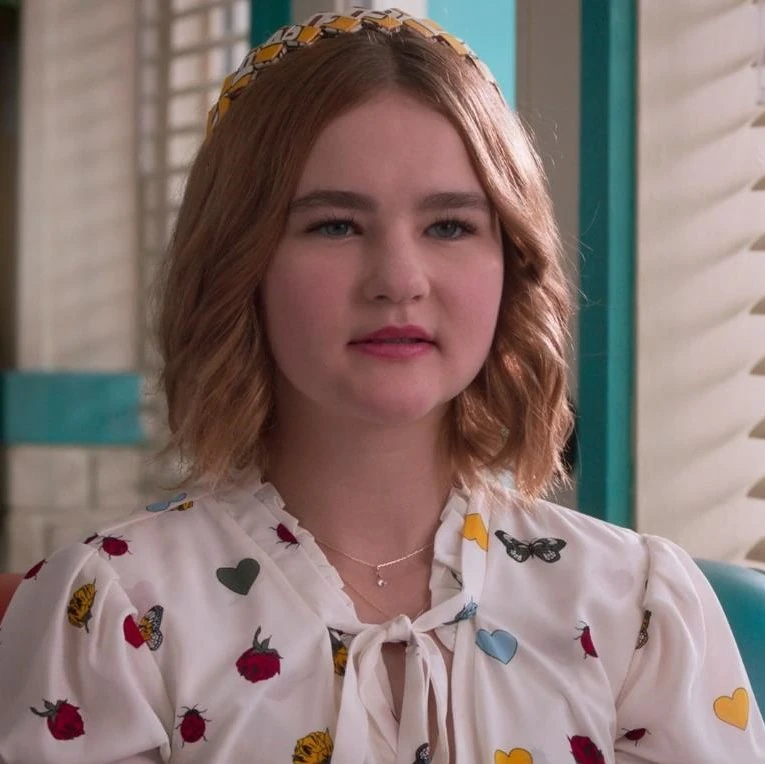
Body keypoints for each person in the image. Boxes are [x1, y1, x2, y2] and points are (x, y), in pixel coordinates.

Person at [0, 7, 763, 763]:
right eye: (334, 225)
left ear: (511, 262)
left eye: (449, 226)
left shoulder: (636, 606)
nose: (398, 280)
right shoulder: (117, 611)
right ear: (239, 264)